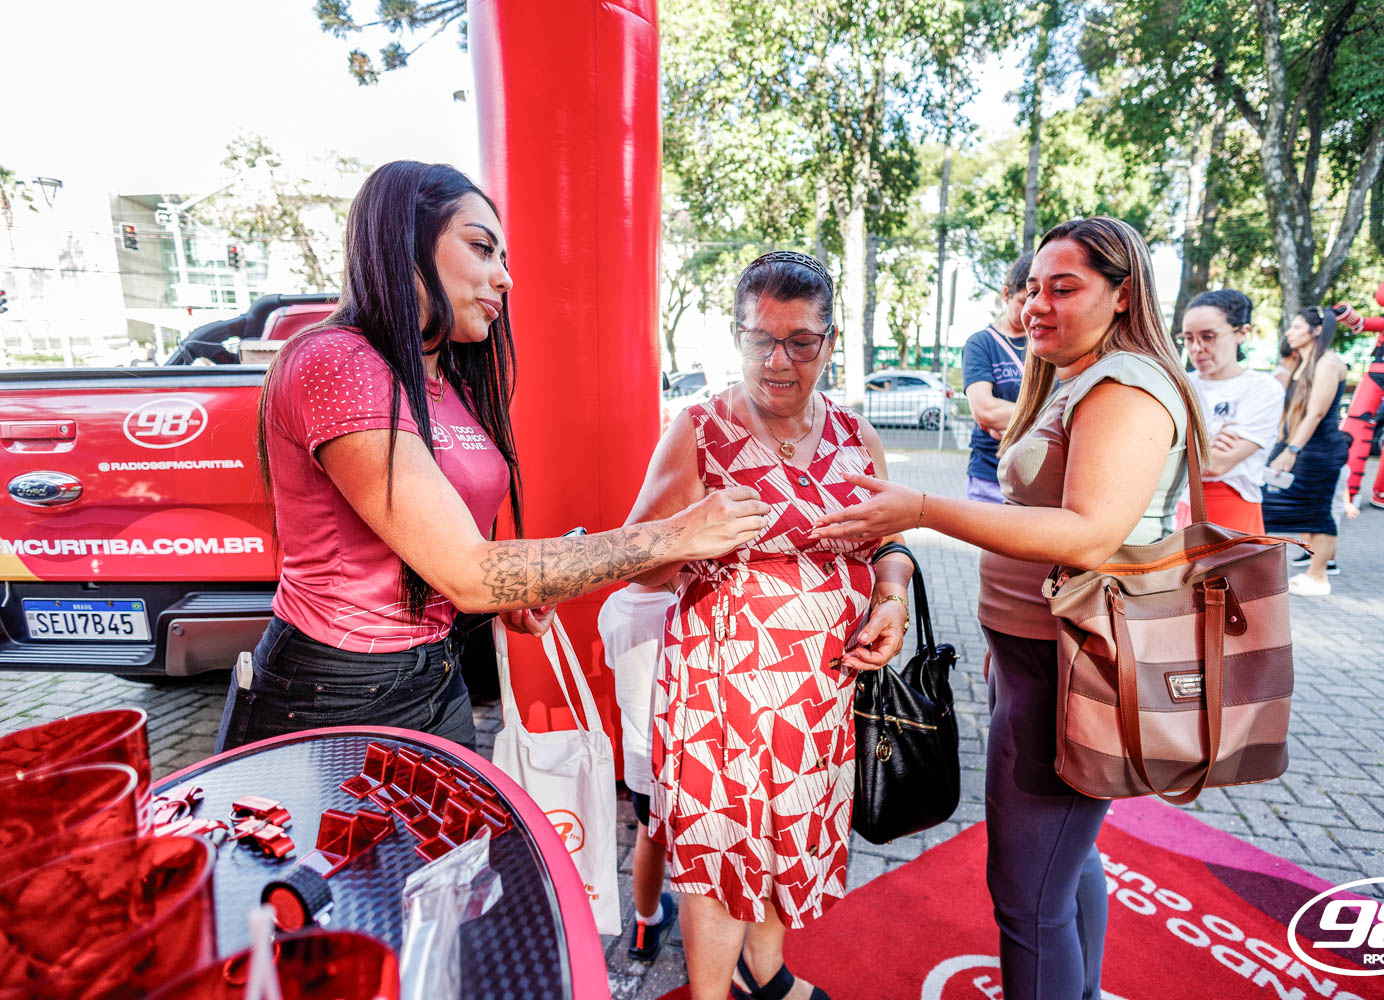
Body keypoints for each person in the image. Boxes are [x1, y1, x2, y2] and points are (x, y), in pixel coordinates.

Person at [215, 161, 770, 754]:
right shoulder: (338, 361)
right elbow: (469, 571)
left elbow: (448, 564)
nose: (504, 278)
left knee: (459, 822)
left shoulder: (448, 379)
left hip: (437, 672)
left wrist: (514, 592)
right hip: (334, 687)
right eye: (482, 249)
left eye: (504, 259)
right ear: (405, 241)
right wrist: (677, 535)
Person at [811, 217, 1203, 1000]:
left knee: (1027, 901)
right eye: (1032, 288)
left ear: (1123, 294)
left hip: (1073, 667)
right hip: (1039, 658)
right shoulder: (1077, 375)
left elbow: (1089, 533)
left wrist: (923, 509)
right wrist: (1005, 643)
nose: (1037, 306)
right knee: (1063, 868)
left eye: (1064, 288)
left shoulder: (1124, 388)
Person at [625, 251, 914, 1000]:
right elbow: (637, 565)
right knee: (723, 856)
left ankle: (765, 971)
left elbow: (889, 541)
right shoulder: (699, 430)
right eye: (760, 340)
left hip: (820, 696)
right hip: (722, 700)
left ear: (830, 341)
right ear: (738, 336)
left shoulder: (855, 436)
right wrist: (689, 533)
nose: (778, 361)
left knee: (789, 840)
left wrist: (892, 596)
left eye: (800, 341)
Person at [598, 582, 681, 962]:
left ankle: (646, 923)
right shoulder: (682, 606)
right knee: (698, 848)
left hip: (641, 757)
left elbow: (614, 664)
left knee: (649, 837)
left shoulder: (613, 605)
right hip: (687, 754)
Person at [1181, 289, 1285, 534]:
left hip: (1232, 511)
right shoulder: (1179, 383)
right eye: (1188, 338)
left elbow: (1217, 463)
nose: (1196, 348)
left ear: (1242, 333)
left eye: (1208, 337)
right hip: (1178, 506)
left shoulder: (1263, 388)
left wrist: (1179, 448)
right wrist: (1206, 446)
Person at [1261, 307, 1349, 597]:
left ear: (1317, 330)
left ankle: (1319, 576)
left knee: (1318, 513)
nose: (1290, 332)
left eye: (1297, 327)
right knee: (1302, 512)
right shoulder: (1303, 363)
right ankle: (1312, 571)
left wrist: (1292, 450)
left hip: (1319, 451)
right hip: (1301, 447)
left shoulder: (1327, 363)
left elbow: (1316, 413)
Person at [962, 253, 1032, 502]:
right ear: (1006, 294)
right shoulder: (981, 343)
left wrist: (1013, 424)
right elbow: (985, 410)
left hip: (1038, 480)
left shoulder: (1048, 343)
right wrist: (1048, 423)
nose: (1031, 310)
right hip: (990, 477)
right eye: (1024, 300)